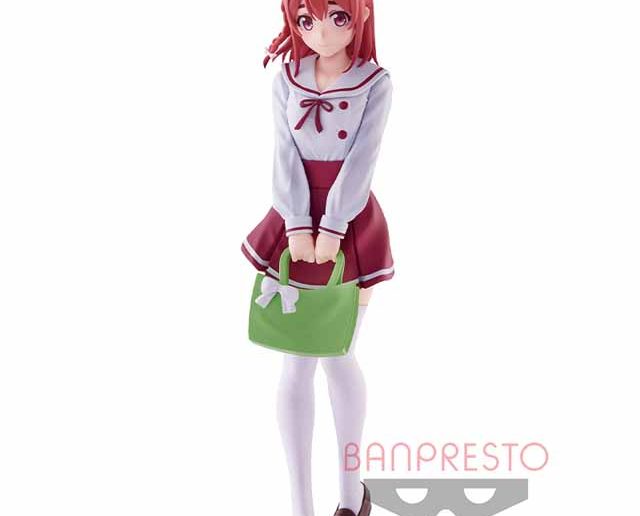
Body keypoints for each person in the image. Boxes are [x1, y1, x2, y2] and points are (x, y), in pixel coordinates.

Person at [241, 1, 393, 515]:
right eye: (306, 21)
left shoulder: (374, 82)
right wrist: (296, 222)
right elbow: (283, 153)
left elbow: (363, 159)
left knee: (338, 350)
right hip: (293, 215)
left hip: (348, 225)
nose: (321, 32)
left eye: (337, 17)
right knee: (296, 360)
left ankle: (351, 497)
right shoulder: (288, 78)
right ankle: (301, 504)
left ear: (361, 14)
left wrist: (332, 226)